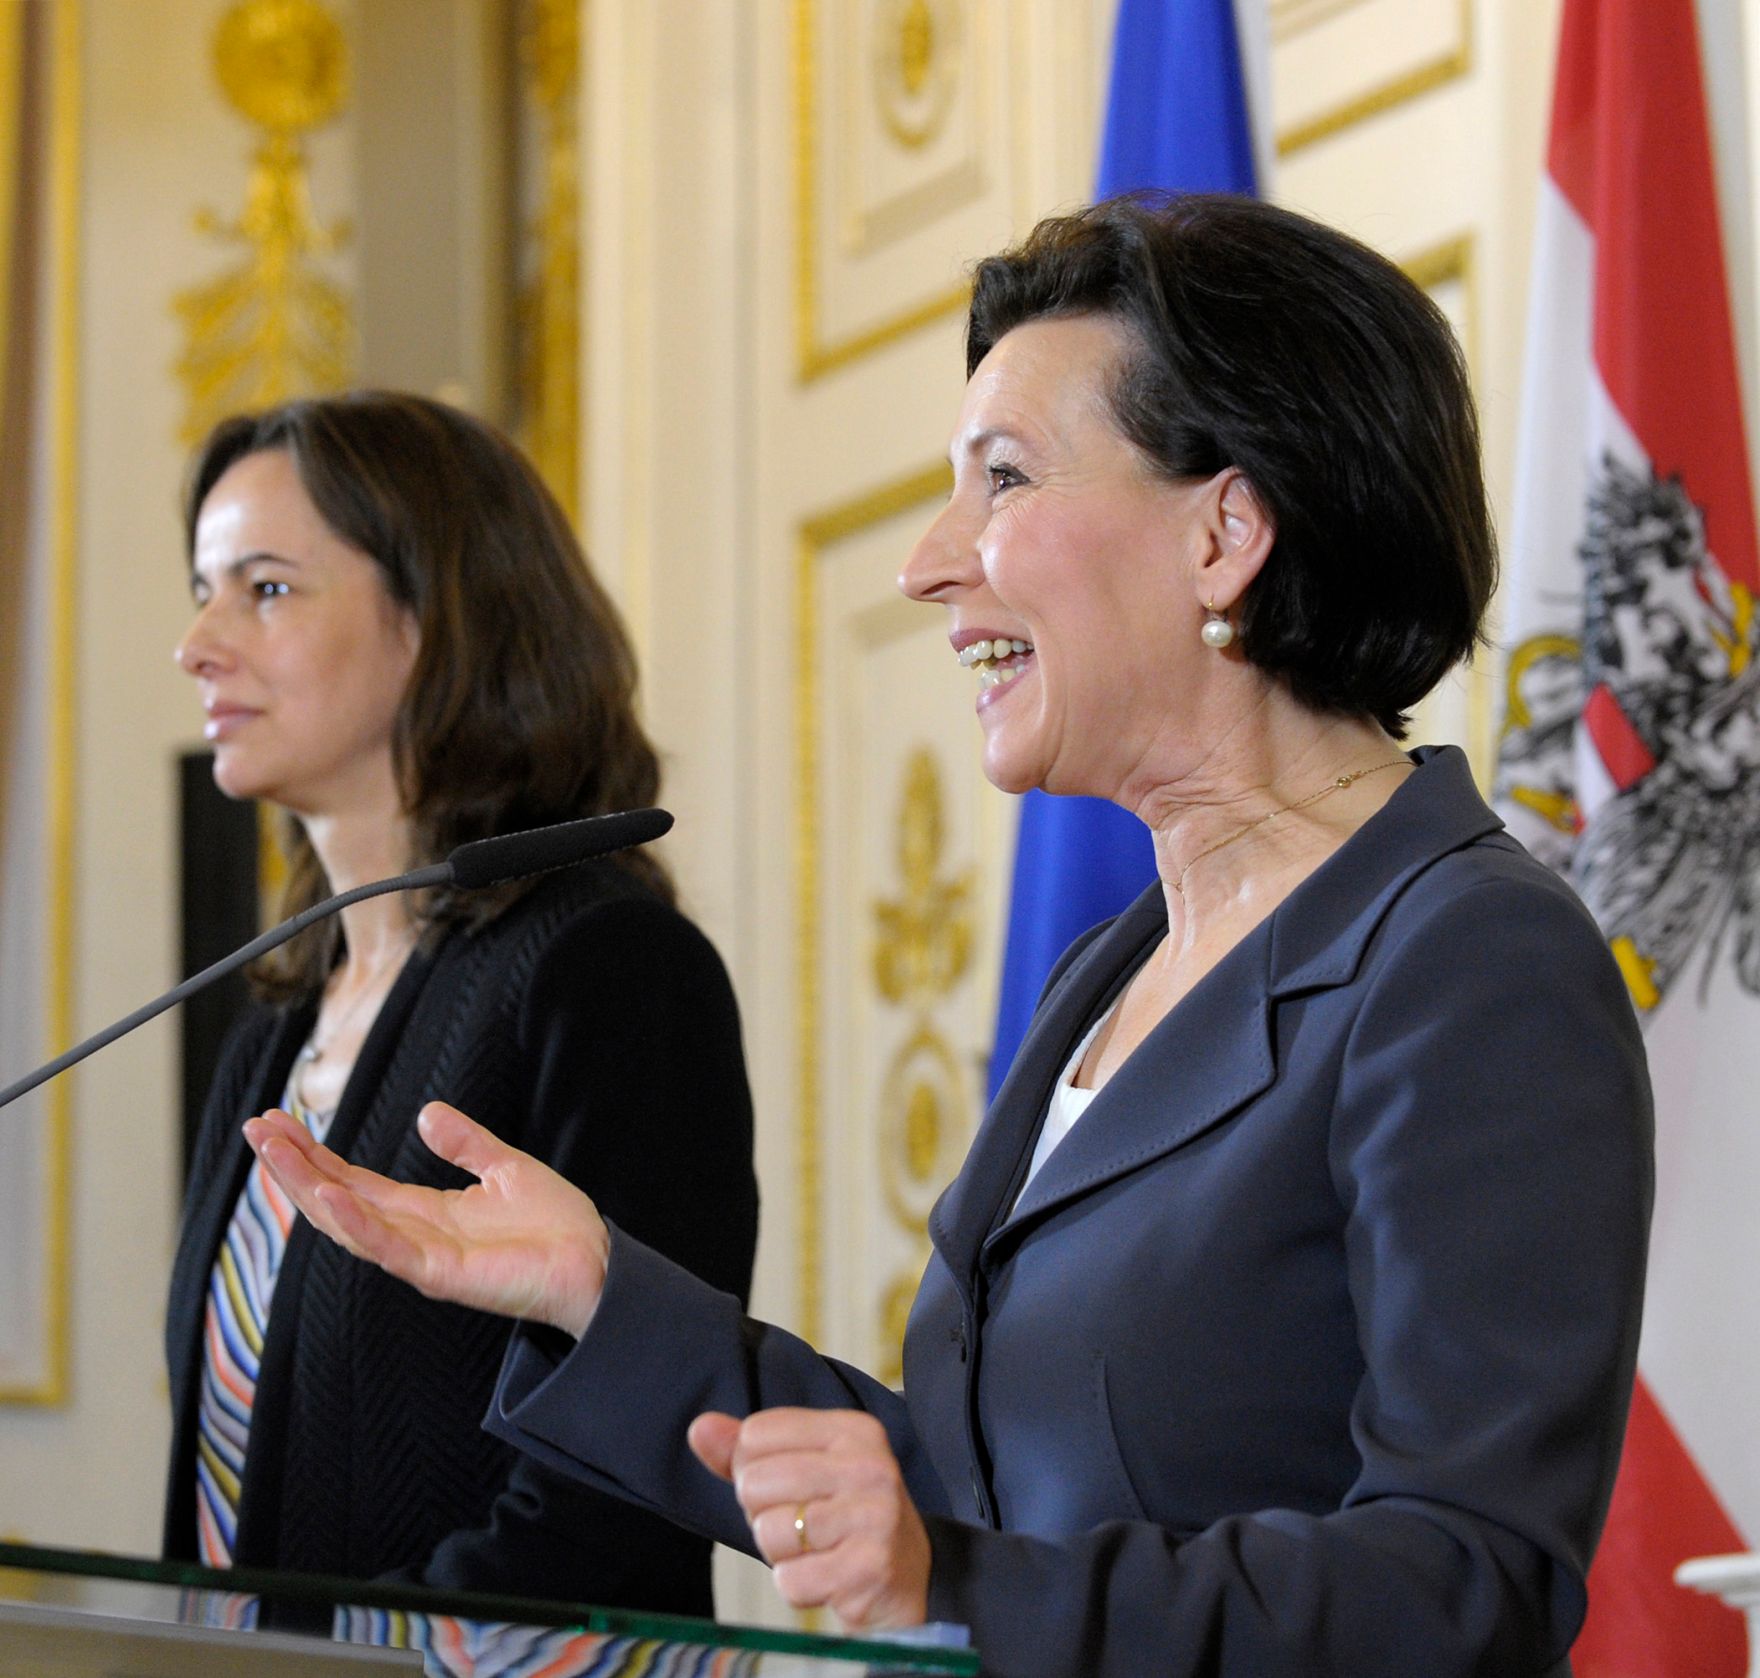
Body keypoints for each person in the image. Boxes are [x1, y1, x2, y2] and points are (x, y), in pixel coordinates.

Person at [245, 197, 1653, 1677]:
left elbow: (1464, 1583)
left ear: (1225, 531)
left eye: (1002, 478)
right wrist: (598, 1294)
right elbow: (979, 1492)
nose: (928, 562)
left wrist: (967, 1580)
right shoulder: (1108, 970)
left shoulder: (1469, 960)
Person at [162, 392, 759, 1616]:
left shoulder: (608, 973)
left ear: (437, 622)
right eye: (203, 588)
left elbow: (617, 1491)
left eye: (265, 589)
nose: (199, 643)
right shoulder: (269, 1039)